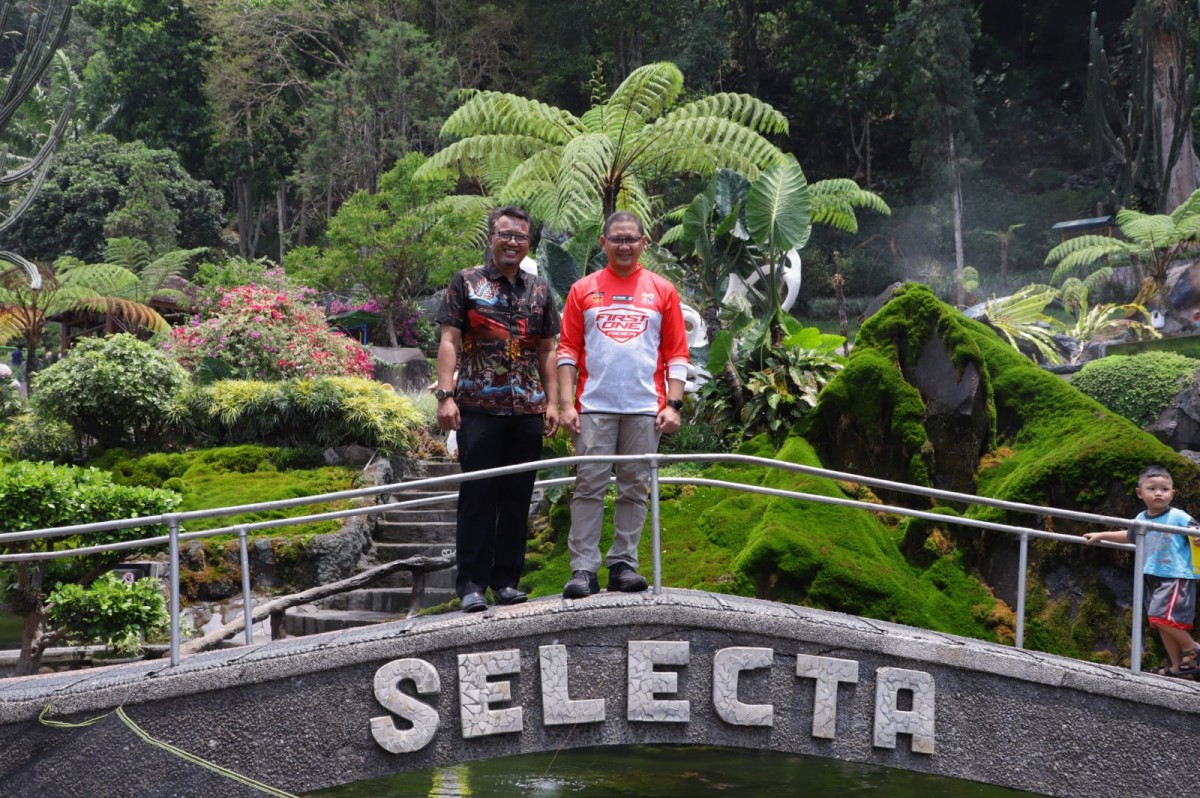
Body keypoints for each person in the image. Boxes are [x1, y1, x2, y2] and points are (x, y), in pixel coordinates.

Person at [557, 210, 690, 598]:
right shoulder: (583, 289)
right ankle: (583, 569)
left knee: (635, 487)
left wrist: (674, 404)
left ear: (644, 242)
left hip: (645, 407)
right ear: (604, 243)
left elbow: (677, 353)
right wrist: (567, 405)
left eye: (632, 238)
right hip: (594, 406)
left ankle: (623, 565)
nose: (625, 245)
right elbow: (567, 350)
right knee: (588, 487)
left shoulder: (662, 290)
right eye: (617, 238)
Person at [434, 205, 560, 613]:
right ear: (492, 238)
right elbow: (450, 341)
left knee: (518, 497)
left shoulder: (540, 290)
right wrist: (446, 396)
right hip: (477, 408)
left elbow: (547, 351)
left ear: (528, 243)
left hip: (526, 410)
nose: (512, 242)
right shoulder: (466, 282)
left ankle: (507, 581)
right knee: (477, 495)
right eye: (505, 234)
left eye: (520, 236)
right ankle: (471, 583)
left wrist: (554, 402)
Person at [1083, 464, 1200, 677]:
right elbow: (1129, 535)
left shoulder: (1177, 516)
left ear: (1172, 493)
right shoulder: (1141, 518)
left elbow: (1196, 529)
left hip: (1175, 576)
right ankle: (1177, 667)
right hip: (1152, 575)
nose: (1158, 493)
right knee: (1160, 623)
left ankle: (1193, 649)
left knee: (1158, 617)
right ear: (1140, 493)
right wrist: (1101, 534)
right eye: (1152, 488)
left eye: (1164, 489)